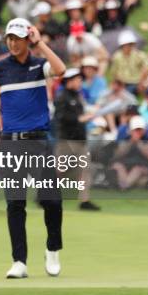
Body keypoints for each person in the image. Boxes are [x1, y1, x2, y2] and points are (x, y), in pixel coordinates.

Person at [0, 18, 66, 279]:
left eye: (19, 38)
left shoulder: (39, 65)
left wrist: (41, 44)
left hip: (39, 141)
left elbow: (60, 69)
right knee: (15, 203)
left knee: (52, 201)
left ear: (28, 40)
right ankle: (19, 261)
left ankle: (52, 249)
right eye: (10, 39)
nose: (14, 43)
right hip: (11, 143)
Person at [54, 68, 100, 211]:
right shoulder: (62, 96)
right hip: (66, 141)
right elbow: (60, 117)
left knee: (85, 170)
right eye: (77, 79)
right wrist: (80, 119)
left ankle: (84, 201)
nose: (80, 82)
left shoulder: (78, 97)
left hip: (80, 140)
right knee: (59, 170)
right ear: (69, 81)